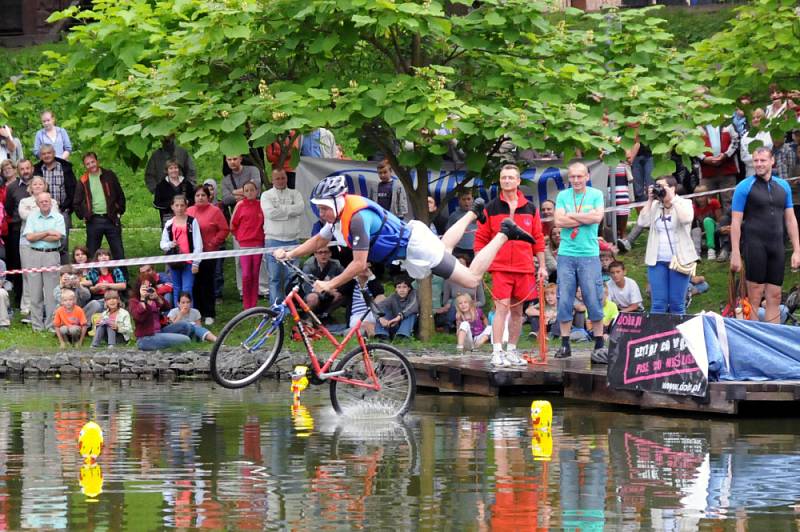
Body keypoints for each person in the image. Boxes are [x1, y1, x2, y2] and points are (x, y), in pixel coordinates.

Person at [273, 175, 536, 299]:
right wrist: (291, 253)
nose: (320, 213)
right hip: (413, 238)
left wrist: (329, 285)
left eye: (323, 208)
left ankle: (503, 233)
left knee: (471, 279)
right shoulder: (338, 215)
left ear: (336, 201)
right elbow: (319, 240)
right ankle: (474, 213)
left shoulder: (356, 220)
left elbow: (359, 265)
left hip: (416, 248)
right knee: (444, 246)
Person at [474, 163, 547, 368]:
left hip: (524, 267)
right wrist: (479, 266)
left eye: (510, 177)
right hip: (500, 267)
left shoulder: (531, 208)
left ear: (518, 181)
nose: (507, 180)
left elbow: (538, 238)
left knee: (518, 312)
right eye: (503, 177)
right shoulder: (490, 208)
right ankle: (497, 352)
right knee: (501, 309)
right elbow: (480, 239)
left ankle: (512, 351)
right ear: (500, 180)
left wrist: (541, 266)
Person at [730, 147, 800, 323]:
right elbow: (736, 223)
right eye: (756, 161)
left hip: (777, 246)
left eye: (762, 160)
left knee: (775, 296)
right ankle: (754, 340)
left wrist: (797, 250)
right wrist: (736, 254)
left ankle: (772, 340)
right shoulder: (744, 187)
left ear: (772, 161)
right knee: (754, 295)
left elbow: (791, 220)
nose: (759, 164)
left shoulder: (783, 186)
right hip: (754, 245)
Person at [553, 162, 607, 362]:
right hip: (566, 253)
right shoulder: (562, 196)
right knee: (565, 298)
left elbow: (598, 217)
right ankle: (565, 343)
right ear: (569, 178)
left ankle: (599, 343)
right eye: (573, 176)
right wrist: (586, 217)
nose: (576, 180)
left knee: (593, 295)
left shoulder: (596, 194)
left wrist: (572, 216)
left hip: (589, 253)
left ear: (587, 176)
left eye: (579, 176)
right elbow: (558, 222)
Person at [637, 175, 698, 315]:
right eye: (657, 186)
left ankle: (678, 335)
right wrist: (650, 199)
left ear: (672, 188)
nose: (659, 189)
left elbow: (686, 219)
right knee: (658, 303)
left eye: (662, 186)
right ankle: (656, 336)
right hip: (657, 260)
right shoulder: (655, 206)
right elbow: (642, 222)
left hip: (679, 260)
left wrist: (673, 199)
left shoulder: (685, 203)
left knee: (677, 303)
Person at [221, 154, 266, 297]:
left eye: (235, 158)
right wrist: (246, 191)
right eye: (229, 159)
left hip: (257, 220)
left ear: (241, 158)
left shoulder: (253, 170)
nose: (232, 162)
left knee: (261, 259)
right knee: (240, 260)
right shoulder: (226, 179)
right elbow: (226, 198)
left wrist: (235, 192)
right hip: (239, 223)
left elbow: (257, 185)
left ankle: (263, 288)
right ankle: (243, 290)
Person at [23, 192, 65, 332]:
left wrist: (38, 235)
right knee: (35, 293)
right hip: (34, 254)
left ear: (51, 202)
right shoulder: (32, 217)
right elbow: (29, 237)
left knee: (51, 293)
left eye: (47, 201)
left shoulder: (58, 217)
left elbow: (58, 236)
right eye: (41, 201)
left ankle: (51, 324)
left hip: (51, 255)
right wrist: (47, 232)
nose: (44, 203)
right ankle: (37, 326)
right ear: (37, 203)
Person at [186, 185, 228, 324]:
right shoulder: (189, 211)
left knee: (208, 283)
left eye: (203, 195)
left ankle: (209, 313)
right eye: (197, 195)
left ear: (208, 196)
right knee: (195, 284)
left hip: (209, 253)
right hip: (193, 255)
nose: (200, 198)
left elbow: (224, 229)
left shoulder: (215, 211)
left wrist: (213, 243)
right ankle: (197, 313)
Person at [73, 152, 126, 260]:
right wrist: (84, 215)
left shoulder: (109, 175)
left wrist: (119, 211)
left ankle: (122, 276)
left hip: (111, 218)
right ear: (85, 166)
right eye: (88, 164)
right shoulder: (83, 180)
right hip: (94, 220)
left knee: (118, 252)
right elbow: (76, 202)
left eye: (92, 162)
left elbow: (120, 194)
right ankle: (92, 276)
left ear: (97, 161)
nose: (91, 165)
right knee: (91, 252)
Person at [262, 168, 304, 303]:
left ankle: (289, 306)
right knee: (275, 277)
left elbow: (300, 209)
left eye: (282, 178)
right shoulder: (266, 195)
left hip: (292, 241)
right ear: (272, 180)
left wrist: (280, 210)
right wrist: (290, 211)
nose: (280, 181)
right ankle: (275, 308)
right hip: (273, 240)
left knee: (291, 276)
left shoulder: (295, 193)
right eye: (277, 178)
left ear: (286, 178)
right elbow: (270, 214)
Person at [18, 177, 56, 321]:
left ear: (45, 186)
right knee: (28, 275)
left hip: (47, 243)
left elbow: (54, 217)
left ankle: (46, 306)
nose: (38, 186)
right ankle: (27, 307)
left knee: (46, 276)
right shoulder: (24, 202)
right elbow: (24, 215)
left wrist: (35, 213)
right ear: (30, 187)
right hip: (27, 242)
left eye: (40, 183)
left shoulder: (53, 202)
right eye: (35, 184)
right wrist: (42, 213)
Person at [34, 144, 76, 263]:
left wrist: (68, 206)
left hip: (63, 211)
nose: (46, 156)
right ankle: (49, 269)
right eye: (44, 154)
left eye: (49, 153)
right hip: (43, 213)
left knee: (63, 243)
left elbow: (73, 188)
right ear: (40, 156)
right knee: (45, 242)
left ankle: (64, 274)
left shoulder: (64, 167)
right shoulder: (37, 170)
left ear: (53, 153)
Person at [129, 273, 193, 351]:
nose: (148, 289)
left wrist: (157, 297)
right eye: (145, 287)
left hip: (160, 331)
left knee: (186, 326)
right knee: (186, 340)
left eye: (150, 286)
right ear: (139, 287)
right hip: (146, 337)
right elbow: (139, 318)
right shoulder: (134, 301)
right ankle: (171, 345)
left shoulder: (154, 298)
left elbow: (167, 307)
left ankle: (168, 344)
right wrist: (143, 299)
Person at [160, 195, 203, 306]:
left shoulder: (192, 222)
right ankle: (177, 317)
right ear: (172, 207)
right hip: (174, 262)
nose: (179, 208)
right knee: (177, 289)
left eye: (182, 205)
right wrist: (170, 244)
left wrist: (196, 263)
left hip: (189, 262)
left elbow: (198, 244)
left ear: (186, 206)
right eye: (177, 205)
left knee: (187, 289)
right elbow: (162, 244)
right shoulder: (169, 224)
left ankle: (189, 317)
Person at [230, 181, 264, 309]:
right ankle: (246, 304)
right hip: (244, 245)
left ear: (256, 191)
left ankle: (254, 304)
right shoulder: (240, 205)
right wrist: (240, 237)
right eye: (247, 190)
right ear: (243, 193)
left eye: (252, 190)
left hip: (258, 244)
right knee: (246, 274)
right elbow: (233, 225)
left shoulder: (261, 205)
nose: (250, 193)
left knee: (255, 273)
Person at [4, 158, 33, 307]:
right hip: (17, 231)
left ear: (32, 168)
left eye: (27, 168)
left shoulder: (38, 184)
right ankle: (19, 298)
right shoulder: (12, 188)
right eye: (22, 169)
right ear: (18, 170)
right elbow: (8, 208)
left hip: (38, 231)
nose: (25, 171)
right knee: (18, 264)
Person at [699, 123, 739, 211]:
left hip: (727, 170)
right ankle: (711, 224)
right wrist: (704, 158)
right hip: (706, 172)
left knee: (729, 200)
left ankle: (731, 223)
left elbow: (736, 141)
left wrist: (726, 155)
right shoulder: (697, 124)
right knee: (707, 202)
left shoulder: (727, 121)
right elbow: (692, 147)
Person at [340, 263, 385, 338]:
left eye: (365, 268)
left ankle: (374, 334)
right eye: (360, 268)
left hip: (372, 313)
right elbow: (342, 290)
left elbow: (380, 292)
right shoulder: (352, 283)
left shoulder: (371, 282)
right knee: (366, 325)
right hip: (357, 315)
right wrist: (353, 274)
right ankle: (377, 336)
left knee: (381, 297)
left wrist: (371, 276)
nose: (362, 270)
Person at [302, 246, 344, 316]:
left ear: (330, 254)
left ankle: (325, 314)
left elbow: (344, 277)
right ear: (315, 254)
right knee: (313, 298)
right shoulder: (309, 266)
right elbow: (307, 288)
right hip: (311, 292)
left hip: (328, 292)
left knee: (342, 295)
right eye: (320, 252)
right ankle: (307, 318)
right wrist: (328, 291)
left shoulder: (336, 264)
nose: (323, 255)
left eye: (326, 252)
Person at [154, 159, 195, 226]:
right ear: (167, 171)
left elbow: (193, 200)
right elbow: (157, 204)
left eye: (176, 168)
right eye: (171, 168)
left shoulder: (187, 184)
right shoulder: (161, 186)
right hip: (168, 218)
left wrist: (188, 202)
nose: (174, 170)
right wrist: (172, 204)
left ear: (179, 169)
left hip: (185, 216)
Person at [445, 189, 478, 260]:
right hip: (460, 250)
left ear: (473, 199)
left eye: (469, 199)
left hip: (476, 248)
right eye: (463, 199)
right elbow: (448, 234)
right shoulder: (454, 216)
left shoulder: (479, 214)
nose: (466, 202)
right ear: (459, 201)